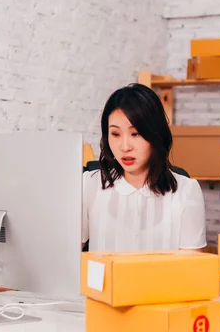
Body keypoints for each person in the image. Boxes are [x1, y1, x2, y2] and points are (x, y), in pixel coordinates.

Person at [82, 83, 207, 252]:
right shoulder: (89, 185)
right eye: (116, 134)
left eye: (136, 134)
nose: (125, 146)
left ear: (155, 134)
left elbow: (191, 270)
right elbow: (67, 259)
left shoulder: (186, 191)